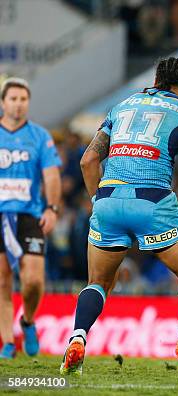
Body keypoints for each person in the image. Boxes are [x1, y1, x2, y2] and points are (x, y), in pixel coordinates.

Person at [59, 57, 178, 376]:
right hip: (152, 202)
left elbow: (87, 161)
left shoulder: (121, 107)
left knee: (98, 283)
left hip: (108, 200)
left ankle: (77, 337)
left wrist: (99, 200)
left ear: (157, 79)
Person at [0, 78, 62, 359]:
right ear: (3, 102)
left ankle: (27, 321)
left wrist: (52, 208)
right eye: (13, 98)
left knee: (34, 281)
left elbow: (51, 175)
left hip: (29, 216)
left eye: (23, 99)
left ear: (28, 102)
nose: (18, 104)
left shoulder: (39, 136)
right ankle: (8, 343)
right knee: (2, 281)